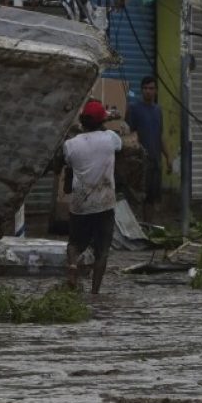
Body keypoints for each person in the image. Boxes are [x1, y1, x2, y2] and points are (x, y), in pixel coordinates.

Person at [64, 99, 122, 296]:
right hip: (104, 203)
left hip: (80, 204)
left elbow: (67, 164)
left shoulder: (70, 144)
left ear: (82, 121)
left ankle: (73, 265)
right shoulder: (110, 138)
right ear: (101, 121)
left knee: (74, 243)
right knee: (102, 250)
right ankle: (95, 293)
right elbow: (121, 146)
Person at [125, 76, 172, 223]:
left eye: (151, 88)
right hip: (139, 162)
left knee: (151, 198)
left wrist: (168, 157)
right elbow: (128, 136)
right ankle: (134, 227)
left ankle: (148, 227)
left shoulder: (158, 110)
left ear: (156, 91)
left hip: (155, 161)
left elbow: (160, 135)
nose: (148, 91)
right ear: (141, 90)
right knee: (136, 197)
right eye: (145, 88)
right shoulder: (134, 109)